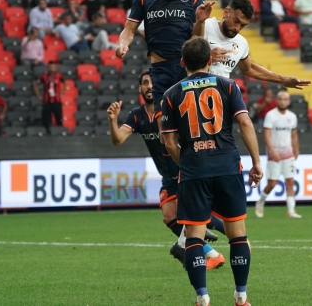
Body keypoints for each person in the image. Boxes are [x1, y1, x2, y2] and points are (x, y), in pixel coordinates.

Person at [161, 37, 263, 306]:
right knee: (237, 233)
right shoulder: (228, 86)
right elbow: (245, 123)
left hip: (194, 169)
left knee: (193, 236)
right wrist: (256, 162)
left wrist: (186, 164)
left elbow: (169, 141)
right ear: (210, 60)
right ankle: (241, 296)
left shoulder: (171, 94)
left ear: (182, 63)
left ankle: (202, 298)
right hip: (227, 166)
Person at [107, 70, 225, 269]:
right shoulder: (137, 116)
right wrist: (112, 120)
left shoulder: (171, 109)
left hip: (184, 169)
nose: (150, 86)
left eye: (152, 82)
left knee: (196, 215)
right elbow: (118, 140)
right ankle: (212, 253)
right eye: (145, 83)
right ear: (140, 88)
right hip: (167, 176)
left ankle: (239, 239)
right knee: (169, 216)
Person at [117, 0, 215, 127]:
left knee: (190, 127)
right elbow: (129, 29)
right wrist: (123, 44)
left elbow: (197, 39)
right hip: (159, 71)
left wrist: (200, 22)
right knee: (166, 134)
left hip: (185, 69)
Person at [205, 0, 311, 90]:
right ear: (226, 13)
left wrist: (283, 79)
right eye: (236, 21)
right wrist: (206, 57)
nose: (237, 28)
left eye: (243, 25)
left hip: (219, 96)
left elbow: (249, 68)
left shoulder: (241, 43)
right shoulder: (205, 26)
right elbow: (188, 56)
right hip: (195, 93)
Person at [254, 90, 300, 218]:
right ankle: (261, 201)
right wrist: (272, 151)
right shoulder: (271, 115)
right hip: (274, 154)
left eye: (285, 99)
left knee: (290, 181)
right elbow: (266, 135)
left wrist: (296, 150)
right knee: (272, 183)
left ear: (289, 102)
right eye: (280, 99)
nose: (283, 101)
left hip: (288, 154)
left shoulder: (292, 116)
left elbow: (294, 135)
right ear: (277, 100)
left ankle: (291, 210)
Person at [33, 61, 65, 132]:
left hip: (57, 101)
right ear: (48, 67)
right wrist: (38, 95)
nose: (52, 69)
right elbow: (35, 85)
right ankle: (47, 134)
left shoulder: (59, 75)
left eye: (53, 67)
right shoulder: (43, 76)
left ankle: (59, 133)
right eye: (50, 67)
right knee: (46, 120)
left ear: (56, 67)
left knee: (59, 119)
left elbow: (66, 84)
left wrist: (61, 93)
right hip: (47, 102)